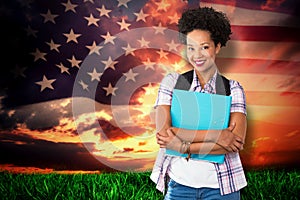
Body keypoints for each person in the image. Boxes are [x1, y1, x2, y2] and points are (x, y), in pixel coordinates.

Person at [150, 6, 247, 200]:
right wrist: (217, 135)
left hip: (222, 187)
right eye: (191, 47)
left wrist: (183, 147)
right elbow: (164, 134)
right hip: (179, 187)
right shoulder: (172, 83)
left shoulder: (233, 89)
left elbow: (234, 142)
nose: (197, 55)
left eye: (205, 47)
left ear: (217, 46)